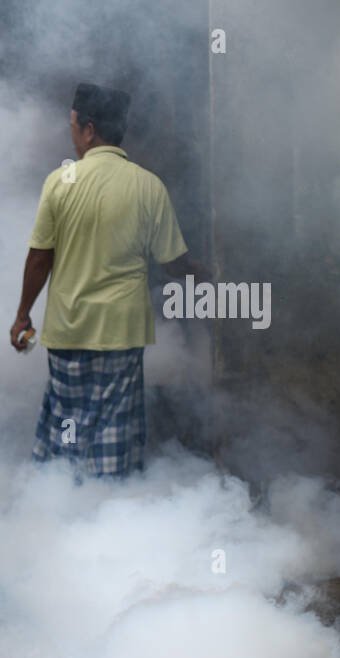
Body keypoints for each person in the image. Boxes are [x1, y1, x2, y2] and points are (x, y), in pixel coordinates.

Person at [11, 82, 208, 476]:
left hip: (69, 328)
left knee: (68, 425)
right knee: (114, 428)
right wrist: (209, 274)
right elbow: (173, 262)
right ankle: (110, 508)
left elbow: (39, 258)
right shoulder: (148, 185)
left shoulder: (60, 182)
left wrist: (23, 316)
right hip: (122, 330)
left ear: (88, 129)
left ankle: (63, 502)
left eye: (72, 126)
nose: (70, 134)